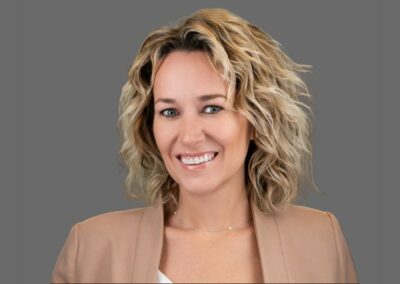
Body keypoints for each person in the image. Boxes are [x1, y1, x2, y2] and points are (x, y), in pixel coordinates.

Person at [51, 8, 358, 283]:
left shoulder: (320, 241)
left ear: (256, 120)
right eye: (169, 112)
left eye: (212, 108)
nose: (189, 136)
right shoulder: (92, 248)